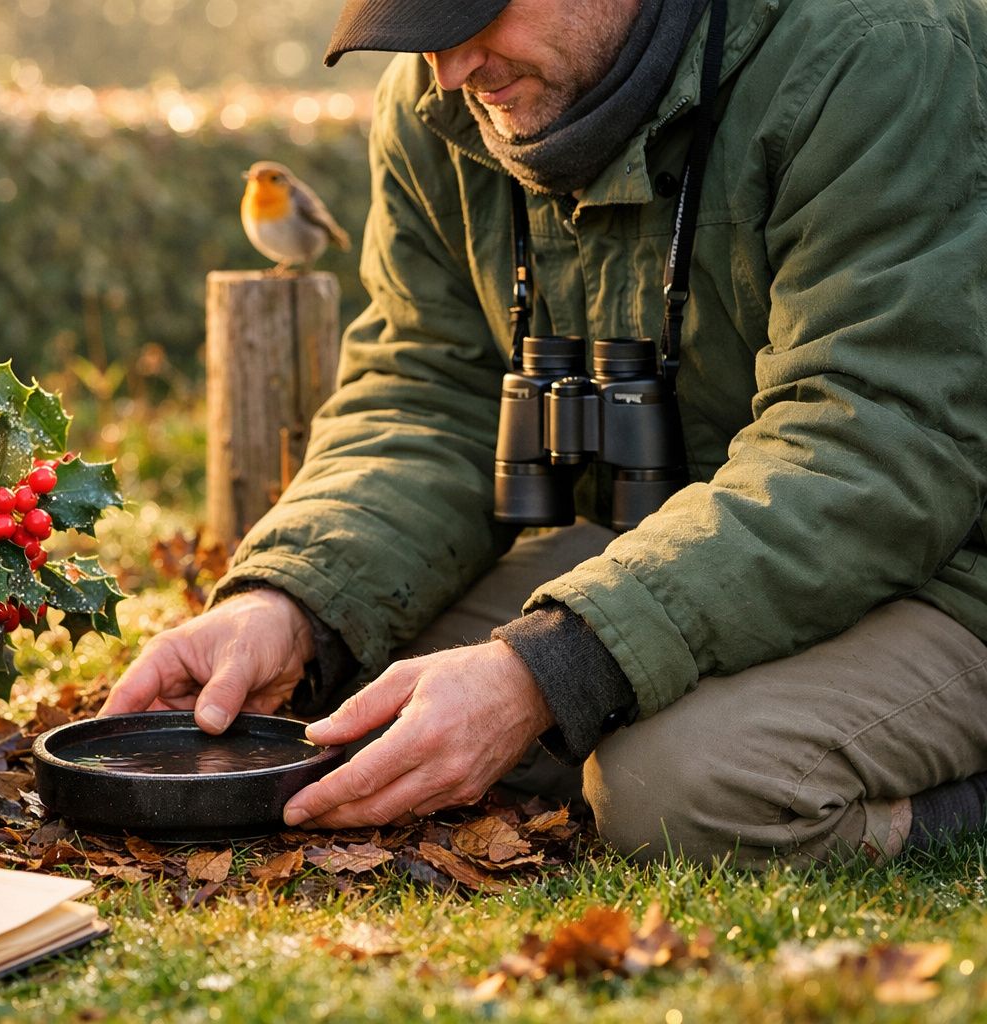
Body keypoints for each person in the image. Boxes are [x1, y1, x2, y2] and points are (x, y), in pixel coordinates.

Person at [101, 0, 987, 866]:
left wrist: (550, 670)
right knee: (355, 693)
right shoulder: (439, 102)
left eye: (469, 16)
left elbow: (872, 440)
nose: (448, 71)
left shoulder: (879, 46)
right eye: (416, 29)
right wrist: (291, 604)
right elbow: (427, 391)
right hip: (670, 540)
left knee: (675, 786)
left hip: (941, 556)